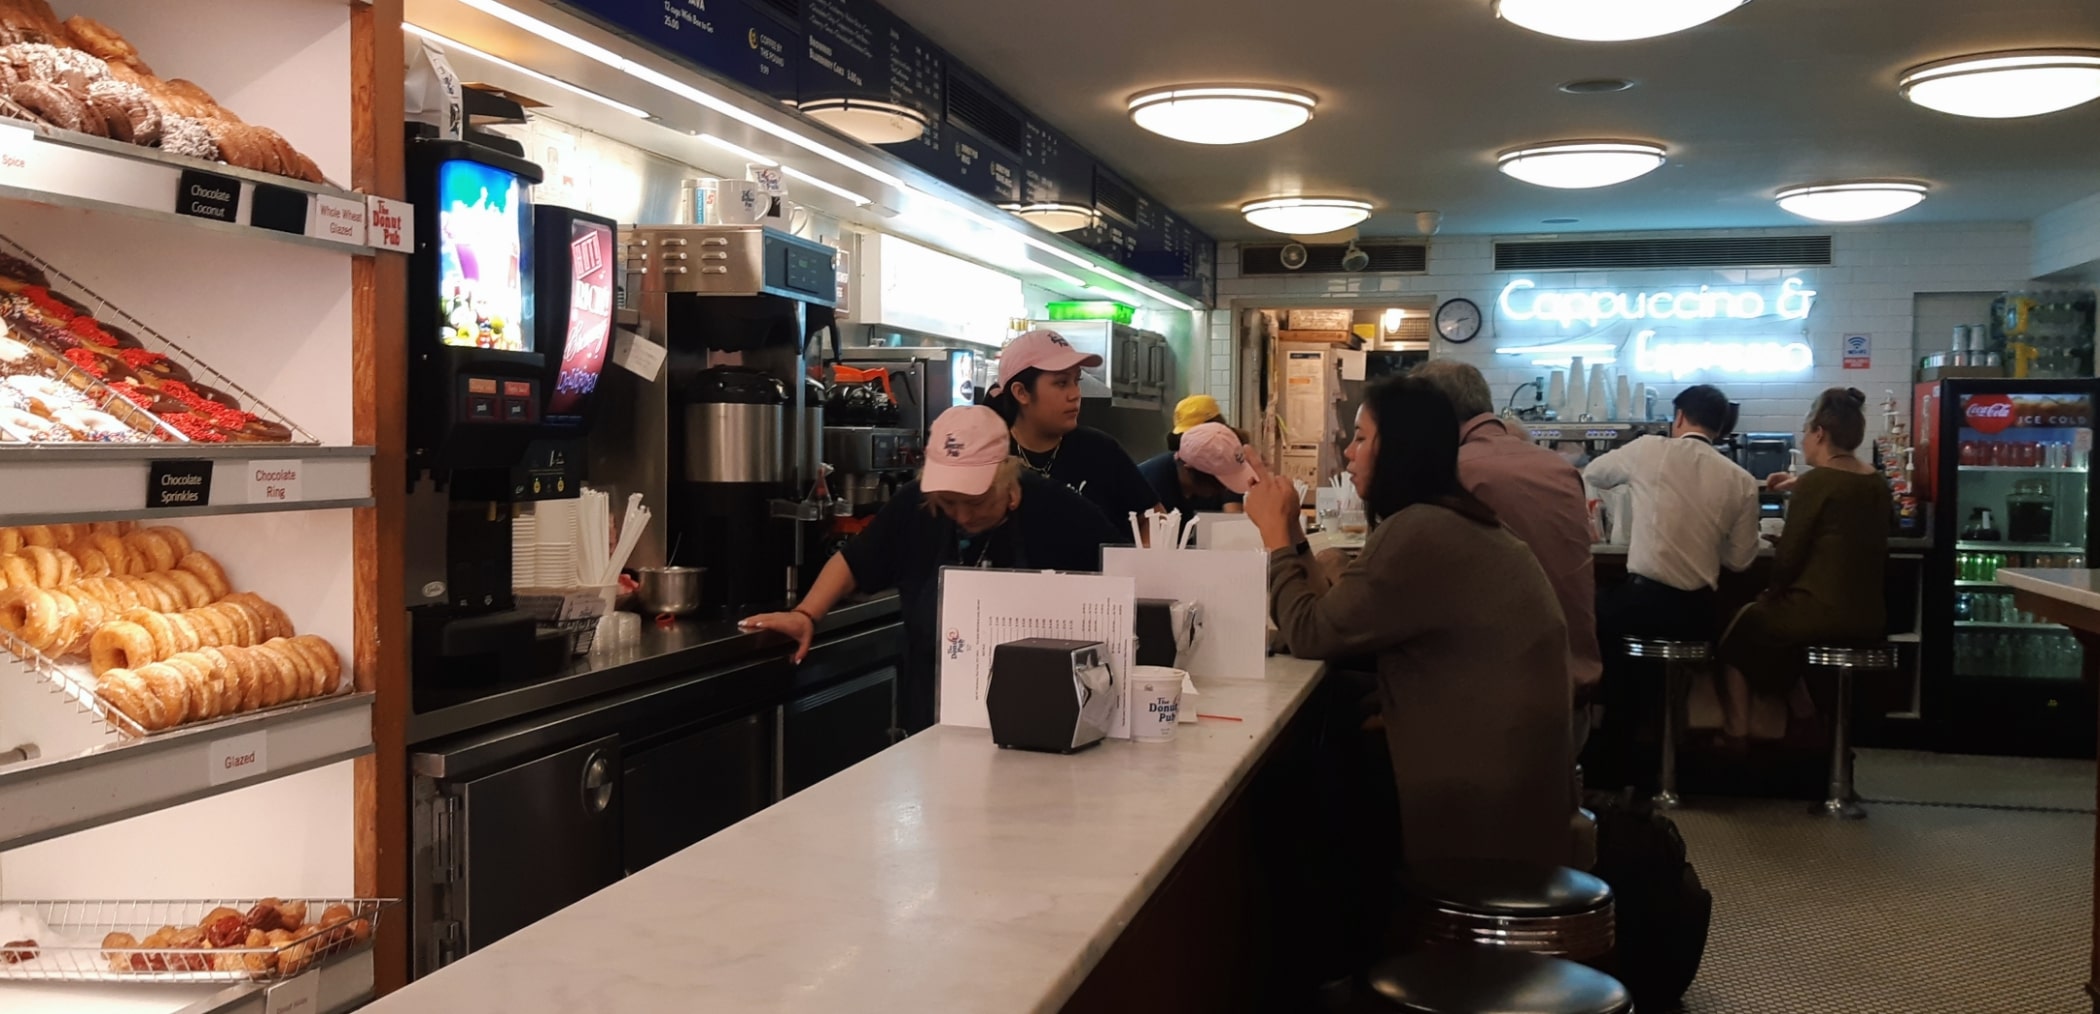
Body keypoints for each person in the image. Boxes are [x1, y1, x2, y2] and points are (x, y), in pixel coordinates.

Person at [1246, 376, 1575, 867]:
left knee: (1282, 789)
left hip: (1482, 799)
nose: (1350, 452)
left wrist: (1274, 538)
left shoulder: (1420, 532)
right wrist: (1292, 529)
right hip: (1515, 772)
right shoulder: (1448, 519)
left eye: (1360, 438)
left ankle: (1339, 934)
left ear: (1395, 448)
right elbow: (1335, 621)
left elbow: (1312, 633)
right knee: (1332, 715)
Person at [740, 406, 1125, 733]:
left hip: (1041, 717)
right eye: (948, 501)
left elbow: (1120, 582)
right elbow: (855, 561)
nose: (960, 515)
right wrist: (806, 613)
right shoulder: (915, 506)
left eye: (973, 502)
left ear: (1006, 475)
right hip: (934, 717)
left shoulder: (1060, 510)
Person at [1413, 360, 1603, 736]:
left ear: (1430, 417)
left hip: (1494, 709)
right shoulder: (1558, 468)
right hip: (1573, 693)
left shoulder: (1450, 473)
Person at [1716, 388, 1889, 744]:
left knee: (1738, 628)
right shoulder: (1877, 482)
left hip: (1819, 613)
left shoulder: (1817, 483)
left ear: (1820, 434)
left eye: (1806, 431)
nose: (1804, 439)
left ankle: (1738, 731)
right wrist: (1800, 485)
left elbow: (1790, 558)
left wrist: (1771, 590)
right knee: (1777, 636)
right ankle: (1807, 717)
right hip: (1870, 616)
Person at [984, 329, 1161, 525]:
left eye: (1076, 381)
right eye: (1061, 383)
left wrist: (1136, 554)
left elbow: (1156, 517)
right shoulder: (990, 456)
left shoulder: (1099, 450)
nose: (1075, 394)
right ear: (1021, 392)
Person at [1138, 420, 1251, 514]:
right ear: (1189, 469)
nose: (1225, 488)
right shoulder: (1147, 490)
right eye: (1219, 482)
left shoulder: (1201, 486)